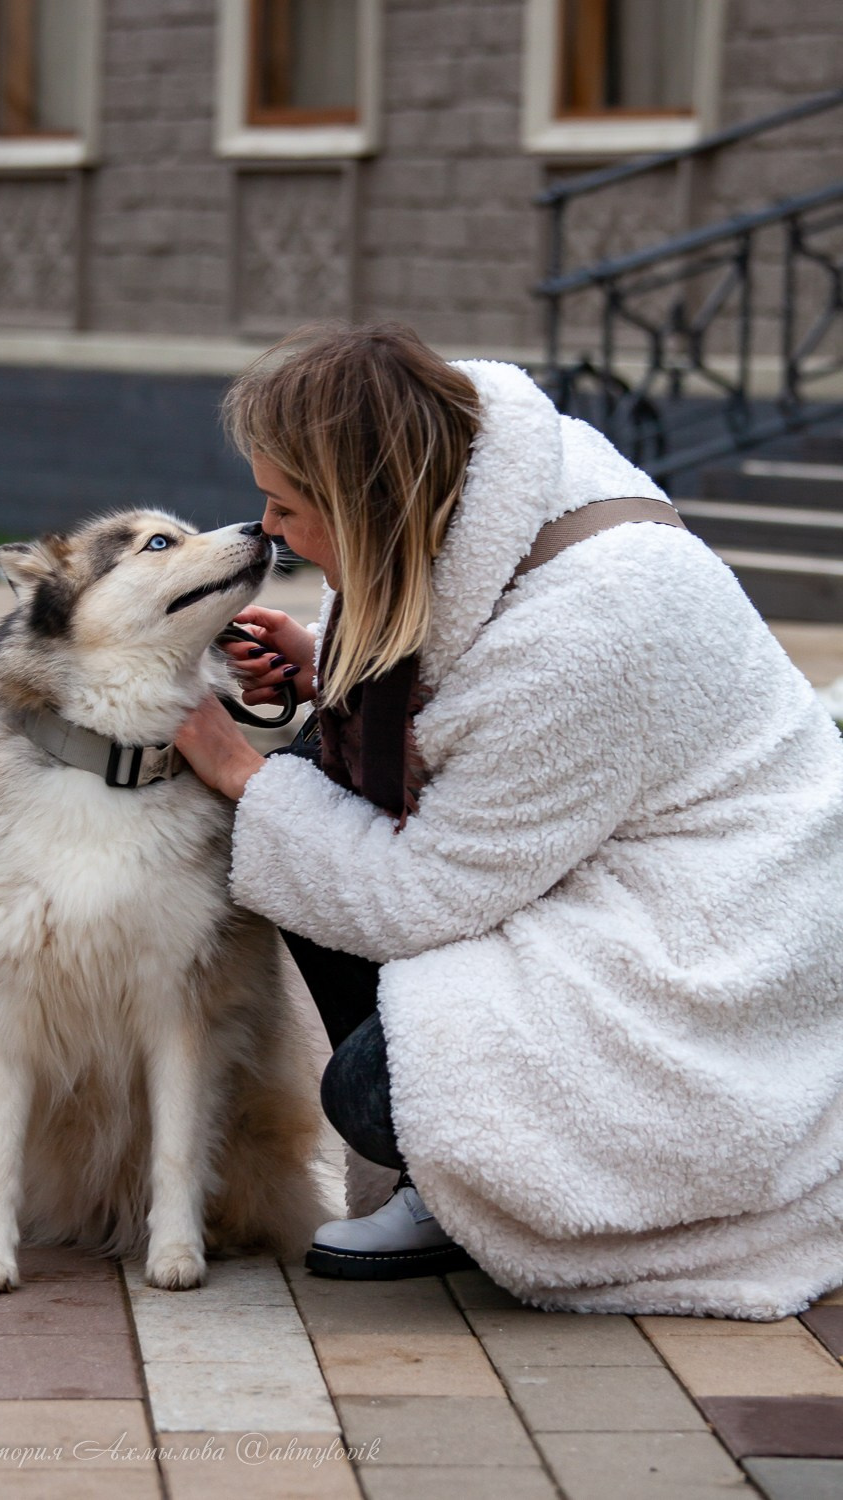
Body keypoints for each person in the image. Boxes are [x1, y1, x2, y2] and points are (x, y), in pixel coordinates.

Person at [174, 322, 843, 1317]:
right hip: (621, 858)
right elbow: (474, 664)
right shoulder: (485, 485)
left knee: (374, 1085)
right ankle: (435, 1168)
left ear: (371, 508)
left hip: (720, 943)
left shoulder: (594, 620)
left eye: (288, 507)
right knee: (316, 783)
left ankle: (475, 1188)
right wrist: (334, 671)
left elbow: (419, 894)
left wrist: (236, 768)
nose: (269, 531)